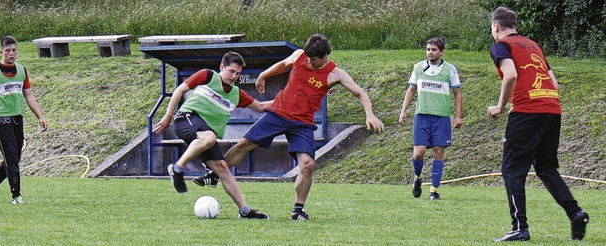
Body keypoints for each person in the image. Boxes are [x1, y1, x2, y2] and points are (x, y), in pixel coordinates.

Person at [196, 34, 385, 220]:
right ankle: (214, 175)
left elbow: (360, 93)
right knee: (244, 144)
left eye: (314, 60)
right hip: (278, 112)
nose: (309, 62)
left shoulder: (335, 74)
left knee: (308, 164)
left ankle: (298, 210)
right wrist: (263, 75)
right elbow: (283, 65)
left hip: (302, 123)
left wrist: (370, 114)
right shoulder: (300, 56)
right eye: (308, 58)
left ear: (325, 56)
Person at [487, 7, 589, 242]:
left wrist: (501, 105)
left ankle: (519, 227)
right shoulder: (533, 45)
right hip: (552, 109)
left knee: (512, 169)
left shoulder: (501, 46)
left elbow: (510, 74)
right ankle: (575, 213)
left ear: (496, 27)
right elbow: (553, 82)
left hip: (527, 112)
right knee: (546, 168)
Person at [153, 51, 271, 219]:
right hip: (187, 118)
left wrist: (287, 100)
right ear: (221, 67)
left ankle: (245, 211)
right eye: (231, 71)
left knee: (222, 167)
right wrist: (167, 116)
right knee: (209, 137)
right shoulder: (208, 75)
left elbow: (259, 107)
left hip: (205, 133)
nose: (234, 76)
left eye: (238, 73)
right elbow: (179, 90)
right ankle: (177, 168)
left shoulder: (236, 94)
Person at [0, 36, 48, 204]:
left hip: (17, 117)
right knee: (11, 159)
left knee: (14, 159)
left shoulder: (21, 70)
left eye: (14, 50)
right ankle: (16, 195)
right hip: (1, 119)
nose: (11, 53)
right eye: (8, 50)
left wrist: (40, 116)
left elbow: (29, 95)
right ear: (1, 52)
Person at [398, 37, 463, 201]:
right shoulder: (418, 68)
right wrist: (403, 111)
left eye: (433, 50)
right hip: (422, 116)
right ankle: (418, 177)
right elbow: (411, 89)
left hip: (441, 118)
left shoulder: (450, 70)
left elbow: (457, 93)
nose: (430, 53)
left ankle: (434, 190)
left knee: (438, 152)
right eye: (428, 49)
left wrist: (458, 116)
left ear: (441, 52)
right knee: (418, 154)